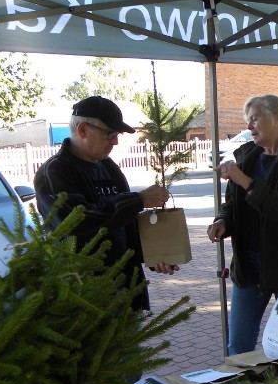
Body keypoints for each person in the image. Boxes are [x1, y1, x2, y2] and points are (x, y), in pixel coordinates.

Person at [34, 96, 177, 312]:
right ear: (83, 130)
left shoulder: (108, 167)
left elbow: (125, 224)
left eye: (116, 135)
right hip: (84, 294)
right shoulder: (54, 172)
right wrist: (138, 200)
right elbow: (77, 221)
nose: (115, 142)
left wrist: (154, 256)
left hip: (126, 286)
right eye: (109, 134)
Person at [208, 94, 278, 355]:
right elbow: (232, 202)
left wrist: (242, 179)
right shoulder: (246, 156)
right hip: (249, 270)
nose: (249, 127)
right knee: (239, 346)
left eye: (254, 119)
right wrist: (224, 219)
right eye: (248, 121)